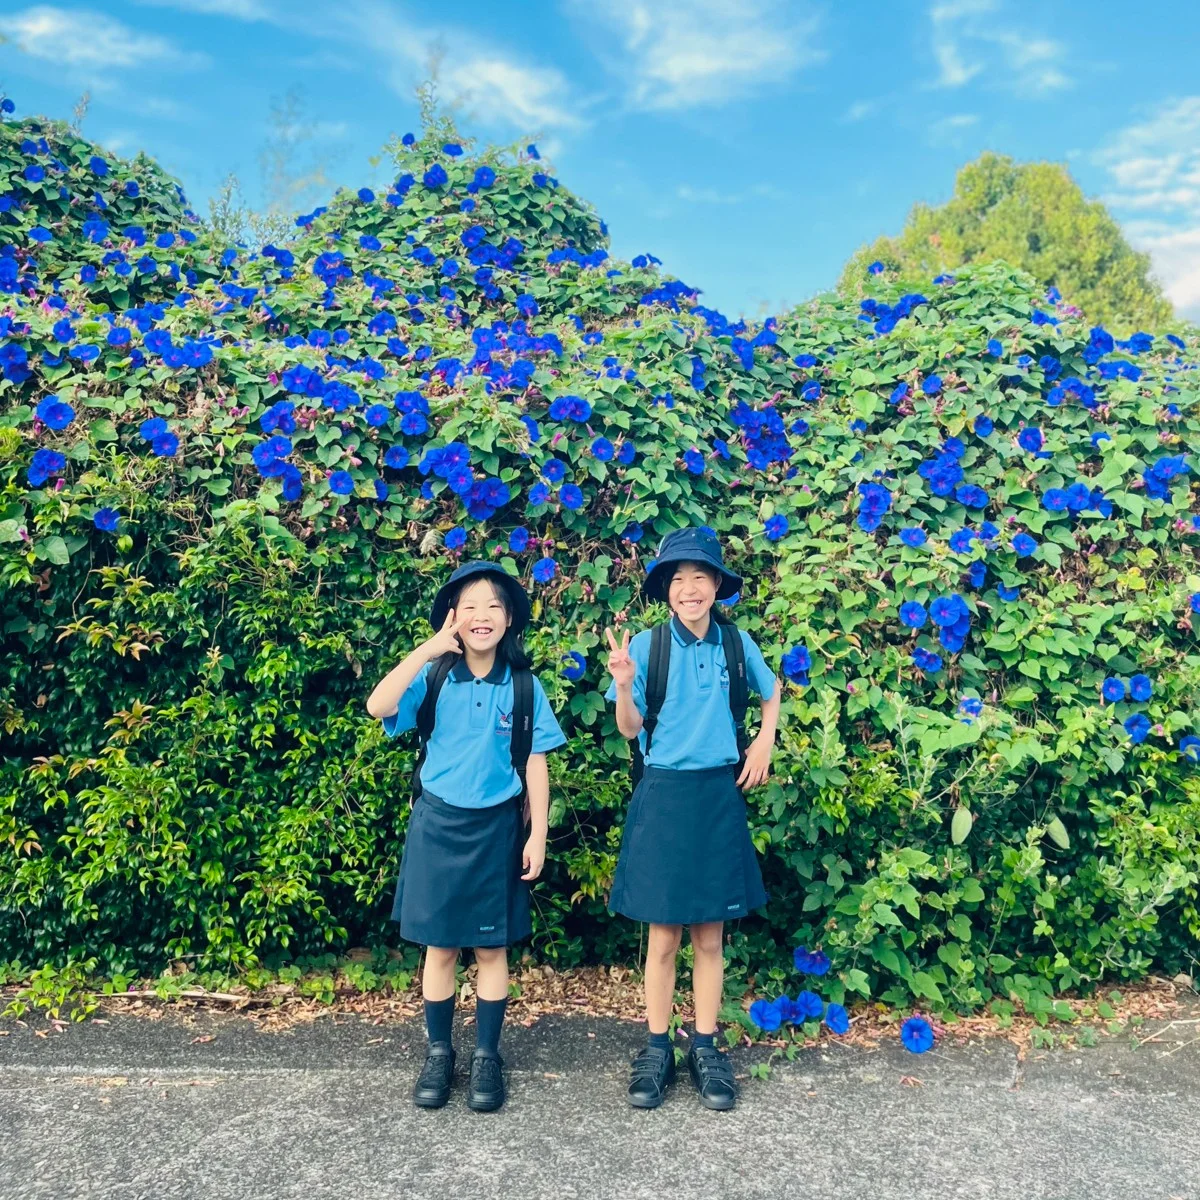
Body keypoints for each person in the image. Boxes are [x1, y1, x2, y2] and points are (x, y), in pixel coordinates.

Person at [366, 561, 566, 1112]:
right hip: (437, 825)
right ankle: (438, 1052)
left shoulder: (524, 686)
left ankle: (485, 1056)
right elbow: (378, 706)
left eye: (494, 606)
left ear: (509, 619)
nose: (482, 616)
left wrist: (538, 834)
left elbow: (537, 763)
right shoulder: (434, 677)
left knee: (491, 948)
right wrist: (428, 650)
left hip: (498, 829)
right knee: (440, 947)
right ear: (453, 617)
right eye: (470, 606)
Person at [604, 527, 780, 1111]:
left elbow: (771, 691)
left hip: (717, 795)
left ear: (717, 585)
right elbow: (629, 728)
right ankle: (658, 1048)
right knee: (662, 936)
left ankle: (705, 1046)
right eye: (677, 578)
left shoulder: (736, 643)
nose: (689, 588)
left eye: (700, 576)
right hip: (663, 794)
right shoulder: (647, 646)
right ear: (666, 589)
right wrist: (623, 687)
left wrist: (764, 741)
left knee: (710, 935)